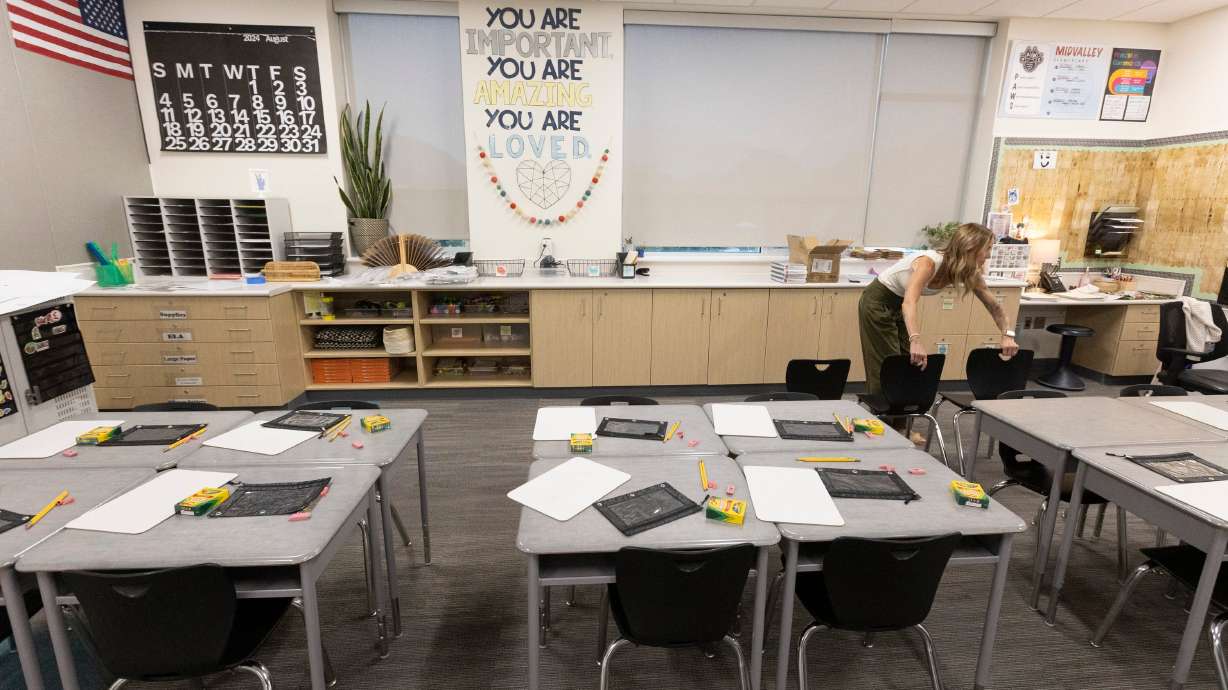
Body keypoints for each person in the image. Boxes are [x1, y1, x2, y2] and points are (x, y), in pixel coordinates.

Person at [858, 222, 1020, 396]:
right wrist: (916, 340)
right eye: (987, 249)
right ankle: (879, 415)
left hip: (899, 305)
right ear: (971, 247)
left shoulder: (967, 270)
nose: (988, 255)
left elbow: (994, 306)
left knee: (909, 361)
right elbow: (909, 302)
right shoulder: (928, 263)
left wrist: (1007, 335)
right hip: (877, 301)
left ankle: (900, 418)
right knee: (888, 363)